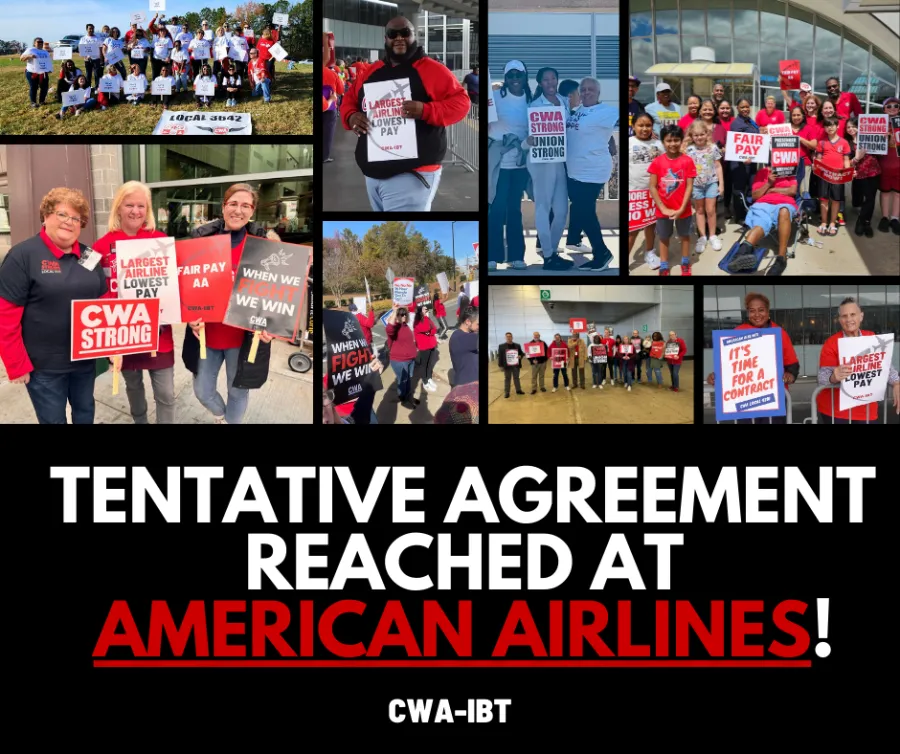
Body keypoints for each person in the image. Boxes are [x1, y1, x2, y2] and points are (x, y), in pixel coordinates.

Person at [341, 17, 469, 213]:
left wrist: (426, 110)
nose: (399, 38)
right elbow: (349, 98)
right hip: (372, 175)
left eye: (405, 33)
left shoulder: (432, 69)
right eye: (393, 34)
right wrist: (351, 116)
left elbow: (461, 103)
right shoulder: (372, 71)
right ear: (386, 38)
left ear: (414, 36)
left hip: (412, 174)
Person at [0, 188, 106, 424]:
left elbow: (104, 301)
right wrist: (16, 364)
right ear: (46, 215)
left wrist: (112, 344)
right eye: (62, 214)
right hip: (44, 367)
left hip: (84, 360)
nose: (69, 222)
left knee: (85, 413)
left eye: (76, 218)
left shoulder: (90, 256)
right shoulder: (22, 256)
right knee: (53, 421)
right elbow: (5, 317)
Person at [182, 184, 280, 424]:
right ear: (223, 207)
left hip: (243, 337)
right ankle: (221, 415)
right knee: (203, 391)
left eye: (245, 205)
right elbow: (186, 285)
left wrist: (273, 326)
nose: (238, 210)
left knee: (237, 391)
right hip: (207, 334)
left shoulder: (264, 245)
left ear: (252, 211)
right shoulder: (202, 241)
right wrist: (189, 315)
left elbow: (277, 292)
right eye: (233, 204)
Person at [91, 181, 175, 424]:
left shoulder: (160, 240)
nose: (135, 211)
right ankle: (140, 421)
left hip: (159, 332)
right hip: (123, 332)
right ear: (119, 207)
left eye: (141, 205)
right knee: (134, 387)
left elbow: (175, 283)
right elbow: (93, 288)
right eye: (129, 205)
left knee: (166, 393)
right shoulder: (101, 245)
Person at [706, 292, 799, 424]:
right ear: (747, 313)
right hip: (745, 398)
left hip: (774, 397)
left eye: (761, 310)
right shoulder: (738, 332)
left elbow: (792, 363)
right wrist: (716, 376)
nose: (757, 315)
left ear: (768, 312)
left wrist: (791, 374)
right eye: (752, 311)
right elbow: (729, 365)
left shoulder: (780, 332)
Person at [817, 297, 900, 424]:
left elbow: (885, 365)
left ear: (861, 316)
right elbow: (822, 378)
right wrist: (833, 377)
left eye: (852, 314)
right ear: (840, 320)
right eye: (844, 316)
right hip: (836, 412)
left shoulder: (872, 337)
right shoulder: (831, 343)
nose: (849, 319)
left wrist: (896, 383)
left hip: (866, 410)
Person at [565, 78, 618, 271]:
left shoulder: (607, 111)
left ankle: (602, 253)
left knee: (585, 213)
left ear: (598, 93)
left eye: (591, 89)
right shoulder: (577, 112)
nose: (587, 92)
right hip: (573, 171)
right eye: (583, 89)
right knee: (581, 211)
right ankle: (581, 244)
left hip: (592, 170)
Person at [488, 60, 532, 271]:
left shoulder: (532, 100)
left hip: (520, 165)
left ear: (525, 76)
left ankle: (516, 256)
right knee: (495, 210)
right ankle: (492, 256)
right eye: (510, 75)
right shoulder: (495, 98)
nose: (515, 79)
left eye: (519, 74)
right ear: (505, 78)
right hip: (499, 164)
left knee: (514, 211)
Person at [528, 67, 571, 271]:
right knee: (543, 208)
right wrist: (528, 142)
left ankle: (552, 252)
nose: (550, 82)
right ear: (539, 83)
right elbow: (524, 141)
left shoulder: (564, 101)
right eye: (546, 80)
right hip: (542, 164)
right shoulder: (534, 106)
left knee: (562, 210)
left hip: (561, 162)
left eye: (553, 78)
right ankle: (547, 254)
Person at [726, 163, 799, 276]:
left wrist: (773, 190)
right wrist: (768, 183)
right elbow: (755, 195)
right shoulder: (763, 172)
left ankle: (781, 258)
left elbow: (792, 191)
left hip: (785, 203)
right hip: (763, 204)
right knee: (760, 225)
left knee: (784, 211)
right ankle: (740, 255)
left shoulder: (789, 171)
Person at [648, 123, 696, 276]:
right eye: (669, 140)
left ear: (681, 140)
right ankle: (663, 264)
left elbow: (689, 186)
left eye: (676, 140)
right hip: (663, 209)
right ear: (663, 142)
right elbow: (653, 187)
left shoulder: (687, 161)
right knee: (663, 237)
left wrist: (682, 207)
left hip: (684, 208)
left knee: (685, 235)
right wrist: (662, 208)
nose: (673, 144)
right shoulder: (657, 162)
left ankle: (686, 262)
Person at [628, 112, 663, 270]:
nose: (644, 128)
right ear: (633, 126)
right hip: (633, 194)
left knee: (651, 225)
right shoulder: (629, 142)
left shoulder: (658, 145)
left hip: (653, 193)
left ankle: (649, 252)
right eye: (640, 125)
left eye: (648, 125)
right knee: (632, 230)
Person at [685, 120, 724, 254]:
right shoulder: (689, 150)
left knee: (711, 210)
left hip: (711, 183)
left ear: (707, 134)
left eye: (701, 134)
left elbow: (718, 166)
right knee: (700, 210)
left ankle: (712, 235)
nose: (699, 137)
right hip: (696, 185)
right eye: (696, 135)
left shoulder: (713, 148)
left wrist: (721, 184)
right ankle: (702, 236)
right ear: (691, 135)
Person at [845, 116, 882, 238]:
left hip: (874, 171)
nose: (851, 129)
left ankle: (865, 222)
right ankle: (862, 221)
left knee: (871, 198)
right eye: (848, 127)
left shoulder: (869, 137)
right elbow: (846, 163)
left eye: (853, 126)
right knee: (867, 199)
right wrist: (856, 158)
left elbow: (881, 148)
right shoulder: (847, 143)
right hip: (860, 173)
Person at [815, 116, 852, 238]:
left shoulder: (844, 142)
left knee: (836, 200)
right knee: (823, 199)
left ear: (838, 126)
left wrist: (847, 172)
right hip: (824, 176)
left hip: (838, 176)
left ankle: (832, 223)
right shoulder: (822, 142)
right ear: (824, 128)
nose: (830, 127)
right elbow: (819, 159)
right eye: (827, 125)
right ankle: (824, 222)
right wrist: (816, 164)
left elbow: (846, 160)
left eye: (832, 125)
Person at [876, 96, 900, 235]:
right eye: (889, 106)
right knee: (885, 192)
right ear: (884, 109)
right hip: (884, 162)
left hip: (898, 163)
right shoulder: (879, 123)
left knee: (897, 193)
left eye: (895, 106)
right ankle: (885, 217)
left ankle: (895, 218)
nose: (892, 109)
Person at [713, 100, 735, 217]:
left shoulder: (734, 121)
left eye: (727, 108)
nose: (725, 110)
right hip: (716, 162)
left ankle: (726, 207)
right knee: (714, 186)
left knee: (728, 185)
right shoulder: (714, 122)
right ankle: (713, 211)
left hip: (730, 160)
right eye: (722, 108)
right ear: (717, 109)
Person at [449, 305, 479, 387]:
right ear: (468, 322)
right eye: (478, 324)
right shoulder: (460, 338)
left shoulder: (466, 335)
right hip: (467, 387)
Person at [413, 304, 439, 395]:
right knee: (424, 364)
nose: (426, 311)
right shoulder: (416, 321)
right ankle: (425, 382)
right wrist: (429, 331)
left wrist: (429, 332)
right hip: (424, 346)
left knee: (429, 363)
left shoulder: (427, 319)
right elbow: (425, 328)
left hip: (431, 344)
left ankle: (429, 378)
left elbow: (434, 329)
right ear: (420, 311)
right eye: (424, 310)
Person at [322, 59, 344, 164]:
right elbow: (341, 90)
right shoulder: (333, 73)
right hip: (330, 107)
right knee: (328, 133)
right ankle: (325, 156)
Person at [20, 36, 52, 109]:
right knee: (34, 87)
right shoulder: (30, 50)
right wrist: (29, 56)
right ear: (34, 43)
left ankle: (42, 101)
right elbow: (21, 58)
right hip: (32, 72)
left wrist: (49, 68)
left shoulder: (45, 52)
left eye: (41, 42)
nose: (40, 43)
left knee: (44, 87)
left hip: (43, 72)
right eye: (38, 42)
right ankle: (33, 103)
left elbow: (48, 61)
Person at [498, 332, 525, 398]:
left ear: (512, 337)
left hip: (515, 365)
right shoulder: (501, 346)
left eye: (510, 336)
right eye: (507, 336)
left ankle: (518, 390)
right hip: (507, 366)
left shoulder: (517, 345)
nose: (509, 337)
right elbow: (500, 356)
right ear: (505, 337)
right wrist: (500, 365)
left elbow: (522, 353)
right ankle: (507, 392)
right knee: (507, 379)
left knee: (516, 378)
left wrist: (520, 356)